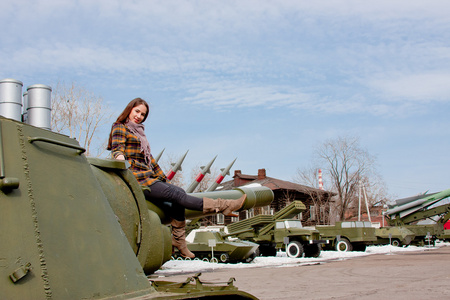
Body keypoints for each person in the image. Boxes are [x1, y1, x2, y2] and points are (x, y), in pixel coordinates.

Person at [107, 98, 246, 259]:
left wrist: (165, 181)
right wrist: (122, 165)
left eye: (143, 114)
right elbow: (117, 150)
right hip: (136, 178)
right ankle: (225, 206)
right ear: (129, 109)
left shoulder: (140, 133)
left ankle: (179, 241)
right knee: (178, 195)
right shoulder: (120, 127)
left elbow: (150, 161)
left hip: (148, 176)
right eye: (137, 111)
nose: (139, 116)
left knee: (177, 197)